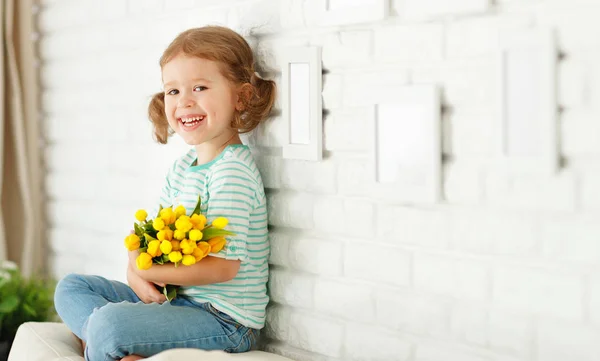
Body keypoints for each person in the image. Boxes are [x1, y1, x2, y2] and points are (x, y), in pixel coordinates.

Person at [53, 26, 276, 361]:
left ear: (240, 97)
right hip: (176, 301)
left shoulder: (232, 172)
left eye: (199, 87)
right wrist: (135, 271)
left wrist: (149, 272)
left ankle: (103, 341)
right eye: (172, 91)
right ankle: (109, 343)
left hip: (222, 319)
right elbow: (150, 243)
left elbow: (222, 269)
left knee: (108, 325)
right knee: (71, 288)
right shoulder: (183, 167)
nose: (184, 101)